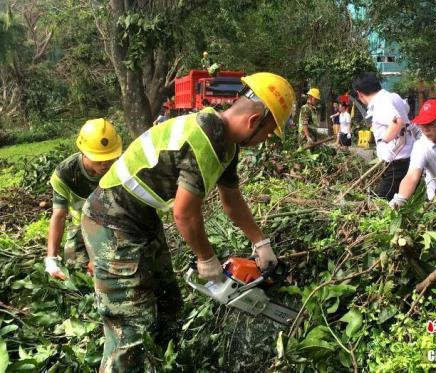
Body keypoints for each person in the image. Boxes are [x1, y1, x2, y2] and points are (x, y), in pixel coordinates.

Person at [80, 72, 295, 372]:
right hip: (110, 218)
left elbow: (232, 201)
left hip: (141, 216)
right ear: (253, 121)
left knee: (169, 303)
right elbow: (184, 212)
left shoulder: (226, 144)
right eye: (267, 133)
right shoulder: (204, 139)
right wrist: (207, 260)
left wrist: (261, 242)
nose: (264, 141)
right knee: (131, 327)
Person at [45, 119, 122, 280]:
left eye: (109, 156)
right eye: (99, 158)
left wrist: (98, 256)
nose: (105, 163)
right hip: (81, 226)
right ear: (84, 152)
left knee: (115, 266)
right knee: (75, 267)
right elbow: (58, 216)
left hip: (117, 225)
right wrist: (51, 259)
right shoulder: (65, 174)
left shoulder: (121, 169)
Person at [353, 72, 413, 199]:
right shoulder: (393, 97)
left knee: (381, 203)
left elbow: (397, 122)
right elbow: (405, 112)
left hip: (396, 163)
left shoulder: (381, 103)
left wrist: (383, 142)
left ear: (359, 93)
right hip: (406, 159)